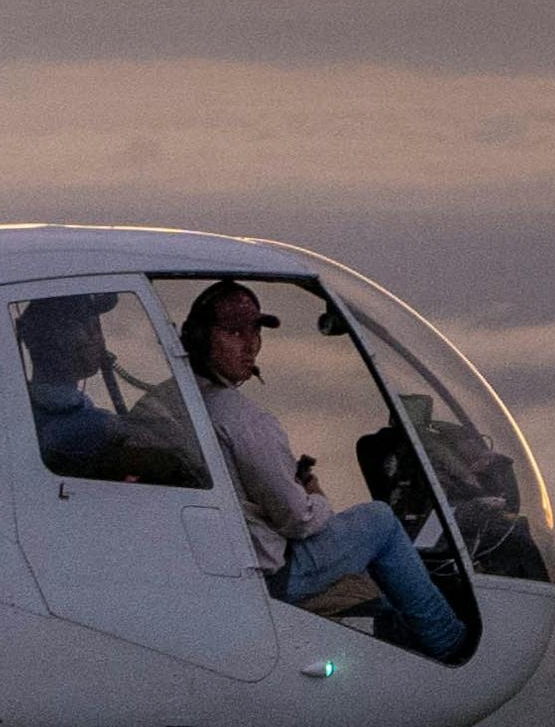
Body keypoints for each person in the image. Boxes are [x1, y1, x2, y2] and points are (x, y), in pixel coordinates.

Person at [179, 279, 477, 660]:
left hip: (217, 565)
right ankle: (450, 642)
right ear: (201, 339)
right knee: (381, 521)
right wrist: (316, 496)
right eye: (234, 332)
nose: (250, 344)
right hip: (272, 575)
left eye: (254, 330)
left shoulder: (174, 402)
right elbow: (298, 520)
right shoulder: (243, 420)